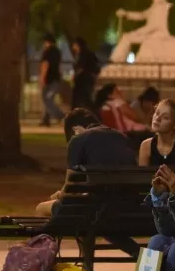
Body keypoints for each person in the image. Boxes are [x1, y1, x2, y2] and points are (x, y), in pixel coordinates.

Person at [36, 110, 139, 256]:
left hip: (94, 211)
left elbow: (70, 188)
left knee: (41, 208)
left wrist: (59, 195)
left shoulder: (78, 140)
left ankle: (45, 263)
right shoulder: (122, 137)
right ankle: (139, 254)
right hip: (126, 210)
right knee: (98, 220)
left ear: (75, 129)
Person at [38, 34, 67, 127]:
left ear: (47, 42)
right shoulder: (58, 52)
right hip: (56, 79)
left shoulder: (47, 52)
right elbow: (59, 66)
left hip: (48, 79)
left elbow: (45, 65)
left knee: (47, 99)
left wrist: (42, 78)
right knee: (48, 99)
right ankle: (45, 120)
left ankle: (62, 116)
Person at [70, 37, 101, 112]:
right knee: (84, 98)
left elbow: (81, 67)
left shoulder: (83, 54)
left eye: (74, 44)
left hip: (83, 80)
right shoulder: (88, 53)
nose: (73, 46)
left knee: (83, 99)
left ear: (78, 45)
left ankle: (94, 113)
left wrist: (75, 76)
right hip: (87, 80)